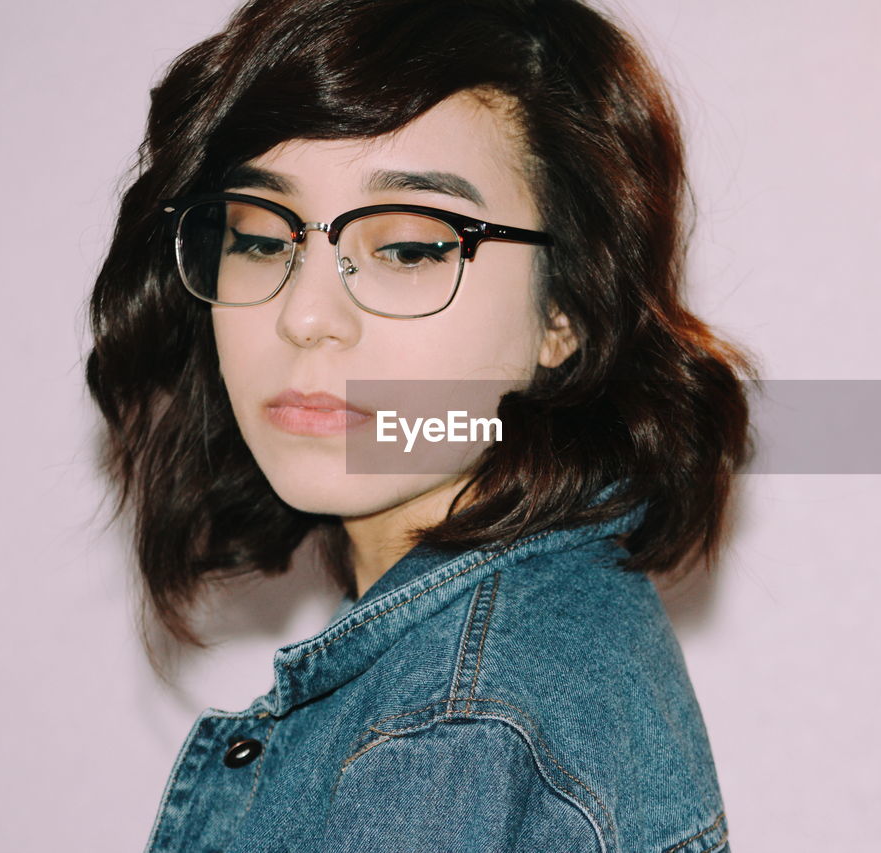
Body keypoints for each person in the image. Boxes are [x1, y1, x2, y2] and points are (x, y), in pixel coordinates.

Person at [86, 0, 756, 849]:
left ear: (567, 311)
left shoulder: (451, 732)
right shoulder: (557, 622)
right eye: (260, 236)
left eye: (408, 248)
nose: (306, 315)